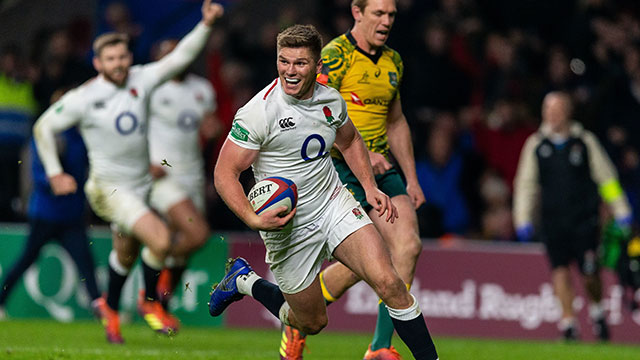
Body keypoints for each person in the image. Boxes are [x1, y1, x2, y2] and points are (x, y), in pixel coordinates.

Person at [209, 24, 438, 360]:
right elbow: (224, 172)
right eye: (283, 61)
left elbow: (349, 140)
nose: (289, 71)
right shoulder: (258, 112)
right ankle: (244, 281)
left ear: (318, 66)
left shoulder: (330, 99)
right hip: (287, 226)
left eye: (300, 63)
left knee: (389, 282)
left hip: (333, 203)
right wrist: (251, 217)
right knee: (312, 322)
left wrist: (369, 187)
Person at [32, 0, 224, 344]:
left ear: (129, 58)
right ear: (97, 63)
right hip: (109, 189)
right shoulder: (85, 97)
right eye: (111, 59)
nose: (119, 64)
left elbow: (180, 58)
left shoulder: (143, 79)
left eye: (122, 57)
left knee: (125, 256)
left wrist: (206, 24)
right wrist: (54, 172)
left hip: (146, 183)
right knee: (162, 239)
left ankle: (110, 309)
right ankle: (150, 302)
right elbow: (44, 127)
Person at [283, 0, 427, 358]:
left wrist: (411, 177)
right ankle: (299, 317)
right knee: (369, 261)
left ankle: (379, 348)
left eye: (391, 15)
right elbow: (309, 111)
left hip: (382, 168)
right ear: (357, 12)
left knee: (407, 246)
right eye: (379, 13)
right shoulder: (335, 56)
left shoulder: (394, 61)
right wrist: (361, 152)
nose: (386, 21)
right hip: (339, 167)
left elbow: (395, 121)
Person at [513, 91, 633, 341]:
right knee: (559, 271)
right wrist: (522, 219)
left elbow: (606, 178)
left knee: (590, 273)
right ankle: (569, 325)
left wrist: (621, 209)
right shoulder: (537, 144)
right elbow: (526, 184)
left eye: (557, 110)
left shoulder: (585, 142)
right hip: (553, 221)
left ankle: (598, 313)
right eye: (548, 110)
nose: (552, 115)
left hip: (584, 220)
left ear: (567, 112)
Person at [0, 127, 102, 320]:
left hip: (71, 216)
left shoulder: (80, 138)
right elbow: (36, 174)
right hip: (45, 215)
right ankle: (0, 301)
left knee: (86, 265)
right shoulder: (44, 135)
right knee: (25, 260)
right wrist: (54, 181)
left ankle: (102, 310)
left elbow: (86, 172)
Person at [147, 39, 217, 308]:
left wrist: (212, 131)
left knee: (184, 246)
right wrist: (144, 163)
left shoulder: (202, 89)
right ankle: (149, 287)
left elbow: (209, 130)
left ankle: (159, 301)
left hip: (192, 174)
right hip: (161, 174)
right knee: (196, 233)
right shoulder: (150, 88)